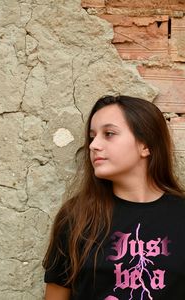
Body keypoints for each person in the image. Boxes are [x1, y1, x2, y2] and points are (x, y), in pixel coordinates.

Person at [43, 95, 185, 300]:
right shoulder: (77, 216)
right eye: (92, 136)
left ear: (146, 145)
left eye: (109, 134)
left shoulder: (180, 216)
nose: (93, 145)